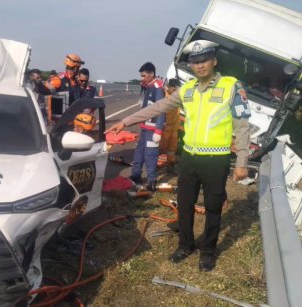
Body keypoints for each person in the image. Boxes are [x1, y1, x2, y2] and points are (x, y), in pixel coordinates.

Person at [106, 40, 251, 272]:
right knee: (184, 205)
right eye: (195, 62)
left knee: (213, 208)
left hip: (217, 160)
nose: (200, 66)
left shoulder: (231, 86)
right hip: (190, 159)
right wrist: (126, 121)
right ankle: (185, 245)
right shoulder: (188, 89)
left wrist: (242, 162)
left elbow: (243, 127)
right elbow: (158, 107)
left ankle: (208, 251)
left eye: (204, 60)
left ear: (214, 61)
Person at [129, 62, 165, 191]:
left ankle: (151, 181)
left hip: (152, 130)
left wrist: (158, 130)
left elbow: (161, 110)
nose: (142, 78)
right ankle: (136, 175)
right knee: (139, 152)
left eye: (144, 76)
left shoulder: (157, 88)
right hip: (145, 128)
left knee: (150, 155)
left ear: (151, 74)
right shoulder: (148, 87)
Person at [159, 78, 181, 174]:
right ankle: (154, 167)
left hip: (174, 128)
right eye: (174, 90)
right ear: (170, 88)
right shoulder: (163, 97)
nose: (176, 92)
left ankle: (170, 165)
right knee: (160, 148)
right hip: (164, 129)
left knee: (172, 149)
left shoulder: (177, 98)